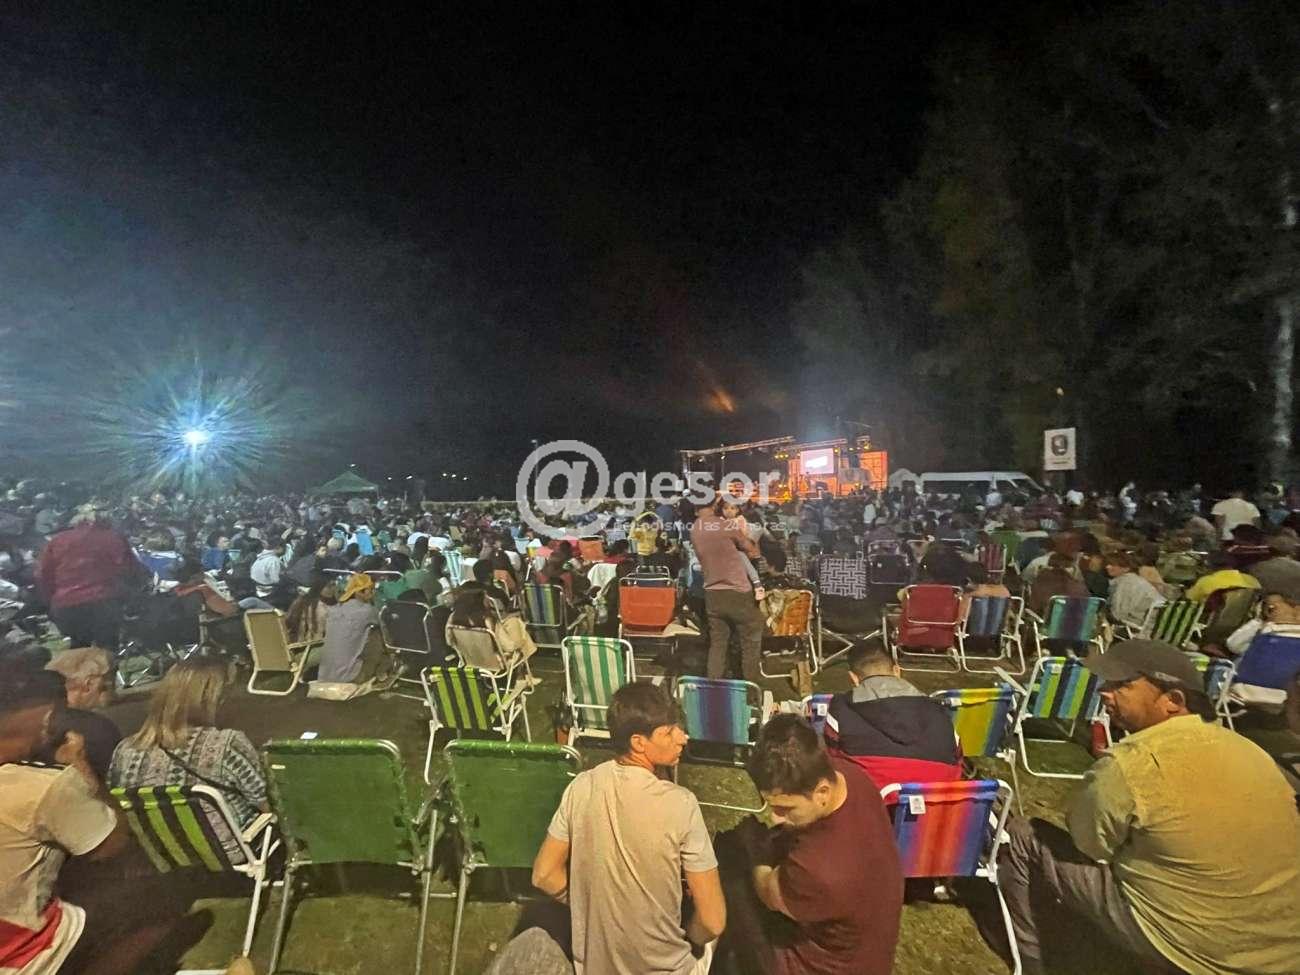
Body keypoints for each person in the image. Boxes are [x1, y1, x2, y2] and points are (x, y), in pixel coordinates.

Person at [980, 640, 1300, 974]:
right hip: (1277, 951)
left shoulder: (1133, 763)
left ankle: (1037, 965)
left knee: (1024, 835)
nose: (1104, 692)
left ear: (1173, 701)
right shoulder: (1253, 753)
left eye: (1122, 685)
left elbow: (1089, 844)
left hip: (1190, 947)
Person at [531, 683, 725, 975]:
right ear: (638, 742)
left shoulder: (581, 786)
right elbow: (713, 921)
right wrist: (690, 937)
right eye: (669, 732)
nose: (682, 738)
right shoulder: (681, 804)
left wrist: (591, 909)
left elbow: (544, 874)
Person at [0, 664, 180, 975]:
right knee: (156, 900)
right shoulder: (41, 788)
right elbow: (113, 843)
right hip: (24, 955)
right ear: (45, 718)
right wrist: (79, 764)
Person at [715, 715, 902, 975]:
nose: (775, 817)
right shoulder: (850, 776)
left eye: (786, 808)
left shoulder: (818, 869)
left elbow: (767, 891)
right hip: (866, 951)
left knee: (730, 867)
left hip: (822, 967)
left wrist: (755, 850)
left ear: (822, 793)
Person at [108, 658, 268, 861]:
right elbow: (266, 803)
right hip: (229, 853)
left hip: (163, 854)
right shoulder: (227, 743)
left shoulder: (125, 750)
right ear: (216, 699)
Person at [823, 642, 961, 791]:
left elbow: (832, 757)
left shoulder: (840, 708)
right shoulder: (938, 710)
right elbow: (957, 757)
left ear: (854, 678)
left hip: (871, 797)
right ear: (897, 670)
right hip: (937, 797)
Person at [35, 505, 144, 650]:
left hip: (66, 605)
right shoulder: (113, 538)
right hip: (104, 601)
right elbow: (131, 569)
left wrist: (50, 602)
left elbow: (43, 575)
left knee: (78, 647)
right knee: (106, 649)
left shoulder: (57, 541)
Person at [689, 498, 764, 682]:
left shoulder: (695, 529)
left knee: (718, 643)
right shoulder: (726, 526)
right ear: (715, 505)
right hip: (737, 591)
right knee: (751, 637)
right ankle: (750, 689)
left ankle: (714, 686)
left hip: (712, 593)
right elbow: (751, 550)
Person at [39, 648, 121, 781]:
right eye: (108, 684)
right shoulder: (99, 728)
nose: (114, 693)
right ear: (88, 684)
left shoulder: (36, 725)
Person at [1102, 552, 1163, 629]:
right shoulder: (1137, 580)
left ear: (1126, 568)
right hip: (1157, 623)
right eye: (1107, 564)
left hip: (1142, 626)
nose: (1107, 567)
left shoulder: (1126, 583)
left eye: (1112, 565)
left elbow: (1118, 614)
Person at [1183, 550, 1260, 603]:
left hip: (1212, 619)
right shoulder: (1251, 580)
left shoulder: (1205, 581)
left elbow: (1189, 599)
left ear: (1210, 565)